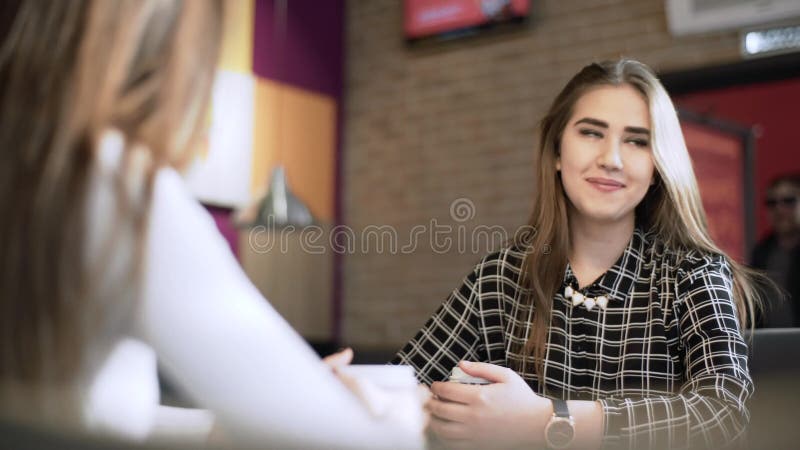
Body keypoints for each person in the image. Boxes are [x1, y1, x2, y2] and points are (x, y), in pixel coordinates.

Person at [0, 1, 424, 448]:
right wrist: (399, 416)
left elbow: (83, 416)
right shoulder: (119, 189)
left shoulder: (31, 170)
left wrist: (255, 411)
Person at [394, 59, 763, 450]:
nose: (611, 159)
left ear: (657, 167)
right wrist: (344, 389)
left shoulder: (692, 272)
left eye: (637, 140)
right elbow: (407, 383)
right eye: (591, 133)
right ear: (556, 151)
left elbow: (724, 414)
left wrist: (546, 420)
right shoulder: (502, 275)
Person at [750, 174, 800, 327]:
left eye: (789, 201)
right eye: (771, 203)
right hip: (771, 346)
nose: (779, 208)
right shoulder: (760, 253)